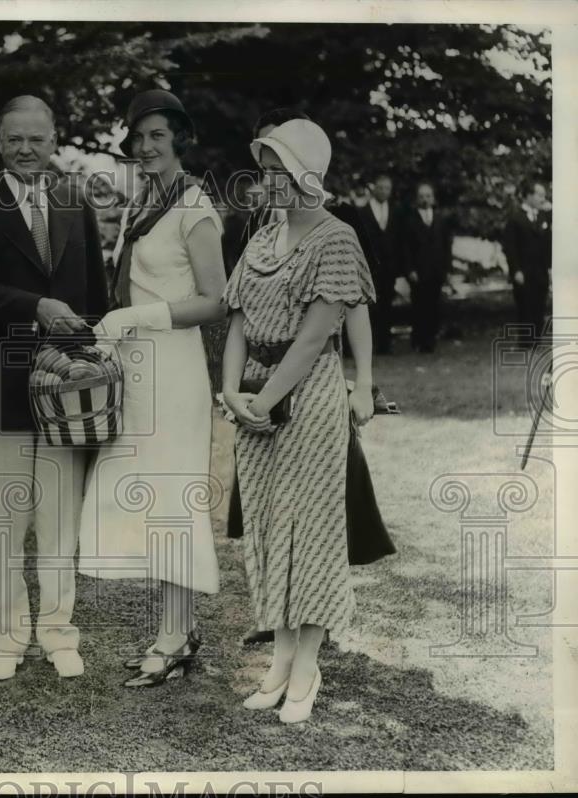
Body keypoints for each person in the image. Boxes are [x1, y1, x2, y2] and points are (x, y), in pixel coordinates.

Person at [0, 96, 109, 681]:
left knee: (61, 518)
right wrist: (34, 307)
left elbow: (96, 294)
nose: (25, 149)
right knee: (5, 521)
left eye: (37, 139)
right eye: (14, 139)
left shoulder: (73, 199)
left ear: (54, 138)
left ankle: (60, 634)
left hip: (68, 388)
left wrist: (92, 361)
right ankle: (8, 639)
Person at [222, 119, 375, 723]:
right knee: (266, 526)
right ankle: (280, 659)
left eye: (281, 171)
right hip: (255, 396)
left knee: (309, 530)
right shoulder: (262, 238)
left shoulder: (337, 239)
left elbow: (315, 338)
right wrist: (231, 390)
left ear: (309, 175)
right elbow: (234, 320)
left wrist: (264, 401)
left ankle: (307, 664)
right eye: (265, 171)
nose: (269, 183)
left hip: (307, 399)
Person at [78, 89, 227, 687]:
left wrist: (135, 320)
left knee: (171, 499)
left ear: (179, 140)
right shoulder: (144, 203)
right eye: (137, 138)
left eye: (157, 137)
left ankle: (171, 639)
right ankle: (179, 630)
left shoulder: (195, 207)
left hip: (175, 370)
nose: (145, 148)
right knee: (150, 498)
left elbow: (214, 301)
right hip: (139, 370)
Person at [402, 180, 453, 353]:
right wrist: (409, 269)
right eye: (422, 196)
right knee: (419, 306)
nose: (425, 199)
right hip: (418, 270)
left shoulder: (441, 219)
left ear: (433, 198)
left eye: (428, 196)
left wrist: (446, 269)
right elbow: (406, 247)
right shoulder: (410, 220)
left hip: (436, 270)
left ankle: (430, 340)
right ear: (417, 199)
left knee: (434, 306)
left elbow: (447, 246)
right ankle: (419, 339)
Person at [356, 173, 402, 355]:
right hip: (369, 267)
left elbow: (399, 241)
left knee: (387, 304)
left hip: (389, 268)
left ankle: (385, 343)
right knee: (369, 306)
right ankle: (369, 343)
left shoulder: (396, 211)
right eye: (381, 187)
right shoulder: (362, 212)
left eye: (387, 188)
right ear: (373, 188)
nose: (384, 191)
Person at [502, 179, 551, 337]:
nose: (543, 199)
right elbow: (510, 248)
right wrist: (515, 270)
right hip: (524, 270)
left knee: (539, 304)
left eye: (544, 195)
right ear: (528, 196)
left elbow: (548, 244)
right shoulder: (516, 219)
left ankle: (536, 338)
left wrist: (549, 267)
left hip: (541, 270)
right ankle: (526, 340)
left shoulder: (543, 217)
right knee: (525, 304)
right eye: (539, 195)